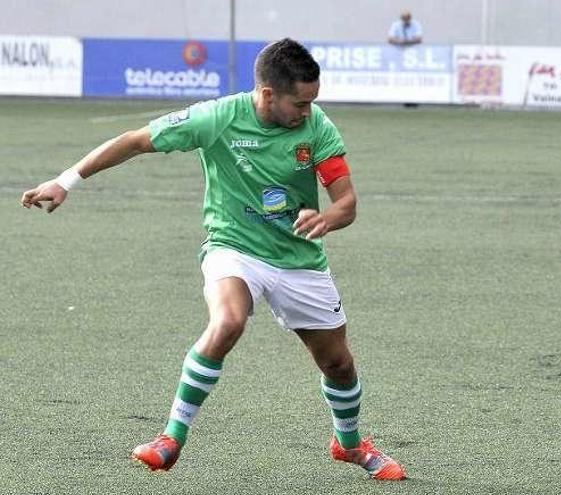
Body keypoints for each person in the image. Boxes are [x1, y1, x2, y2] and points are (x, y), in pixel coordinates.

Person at [20, 38, 406, 481]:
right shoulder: (218, 117)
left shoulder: (316, 126)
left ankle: (349, 444)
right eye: (299, 103)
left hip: (299, 257)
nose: (307, 111)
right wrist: (66, 181)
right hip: (234, 247)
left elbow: (347, 202)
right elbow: (136, 141)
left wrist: (329, 218)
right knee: (228, 322)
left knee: (337, 363)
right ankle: (170, 438)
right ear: (267, 95)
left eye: (312, 102)